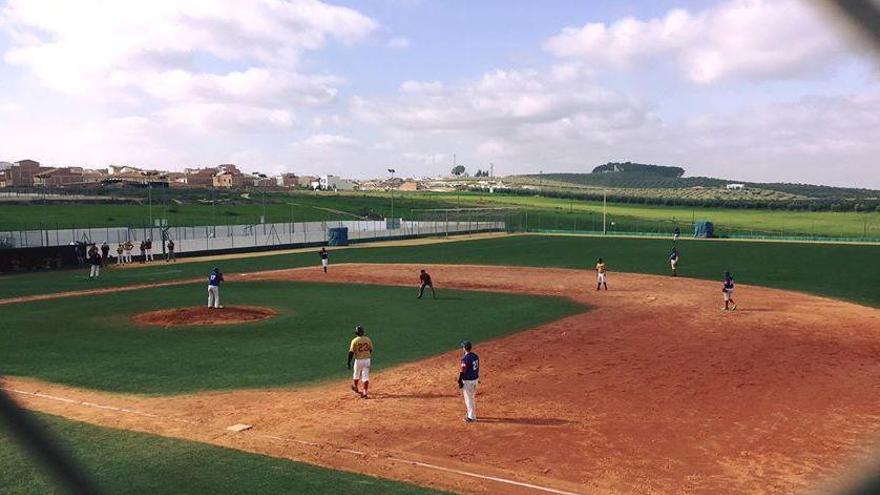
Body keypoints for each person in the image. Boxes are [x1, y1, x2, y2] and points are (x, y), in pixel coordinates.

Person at [347, 325, 373, 398]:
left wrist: (349, 362)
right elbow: (370, 350)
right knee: (365, 376)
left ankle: (355, 386)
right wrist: (367, 355)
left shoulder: (354, 341)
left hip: (358, 360)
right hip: (367, 360)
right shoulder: (368, 339)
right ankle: (365, 392)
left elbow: (351, 352)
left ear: (356, 333)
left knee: (356, 373)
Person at [458, 340, 480, 423]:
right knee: (472, 397)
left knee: (469, 399)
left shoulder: (465, 359)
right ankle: (472, 413)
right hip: (475, 380)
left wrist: (460, 381)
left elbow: (463, 371)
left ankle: (471, 417)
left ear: (464, 348)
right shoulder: (475, 356)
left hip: (468, 382)